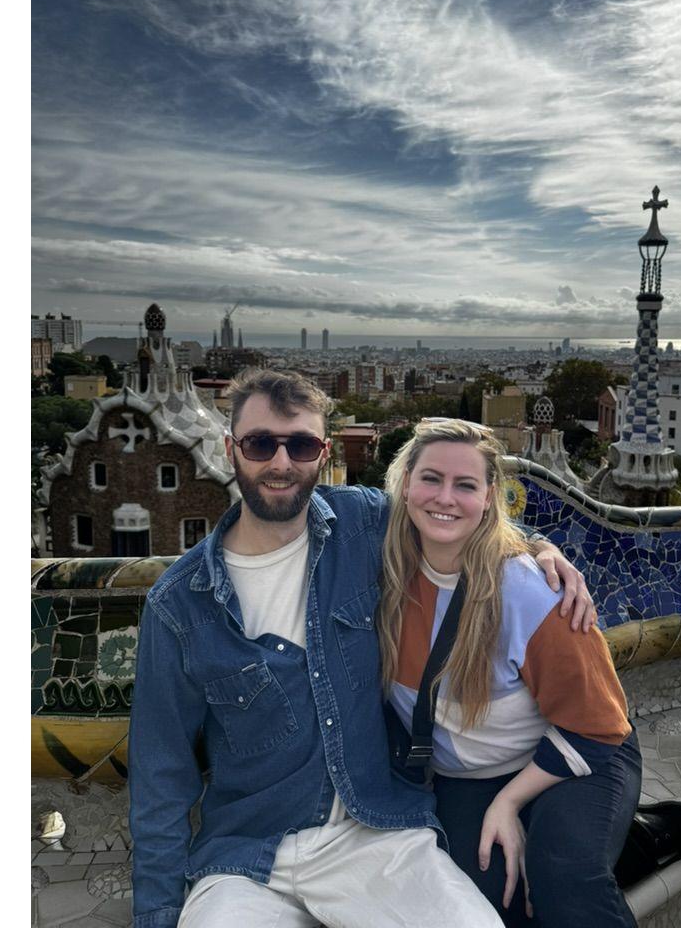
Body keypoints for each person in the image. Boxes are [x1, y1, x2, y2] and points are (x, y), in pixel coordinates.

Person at [128, 370, 595, 928]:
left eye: (301, 445)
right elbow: (161, 775)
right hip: (247, 859)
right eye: (260, 444)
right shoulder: (180, 604)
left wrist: (538, 549)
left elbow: (453, 514)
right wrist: (157, 914)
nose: (281, 463)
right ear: (231, 450)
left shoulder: (362, 523)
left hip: (375, 834)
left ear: (323, 454)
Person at [379, 418, 642, 927]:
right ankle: (630, 844)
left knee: (563, 875)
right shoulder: (384, 564)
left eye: (465, 485)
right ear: (406, 483)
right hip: (469, 776)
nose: (445, 498)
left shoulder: (527, 591)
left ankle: (619, 842)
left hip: (578, 753)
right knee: (485, 901)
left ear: (489, 497)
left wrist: (509, 801)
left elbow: (599, 727)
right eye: (431, 478)